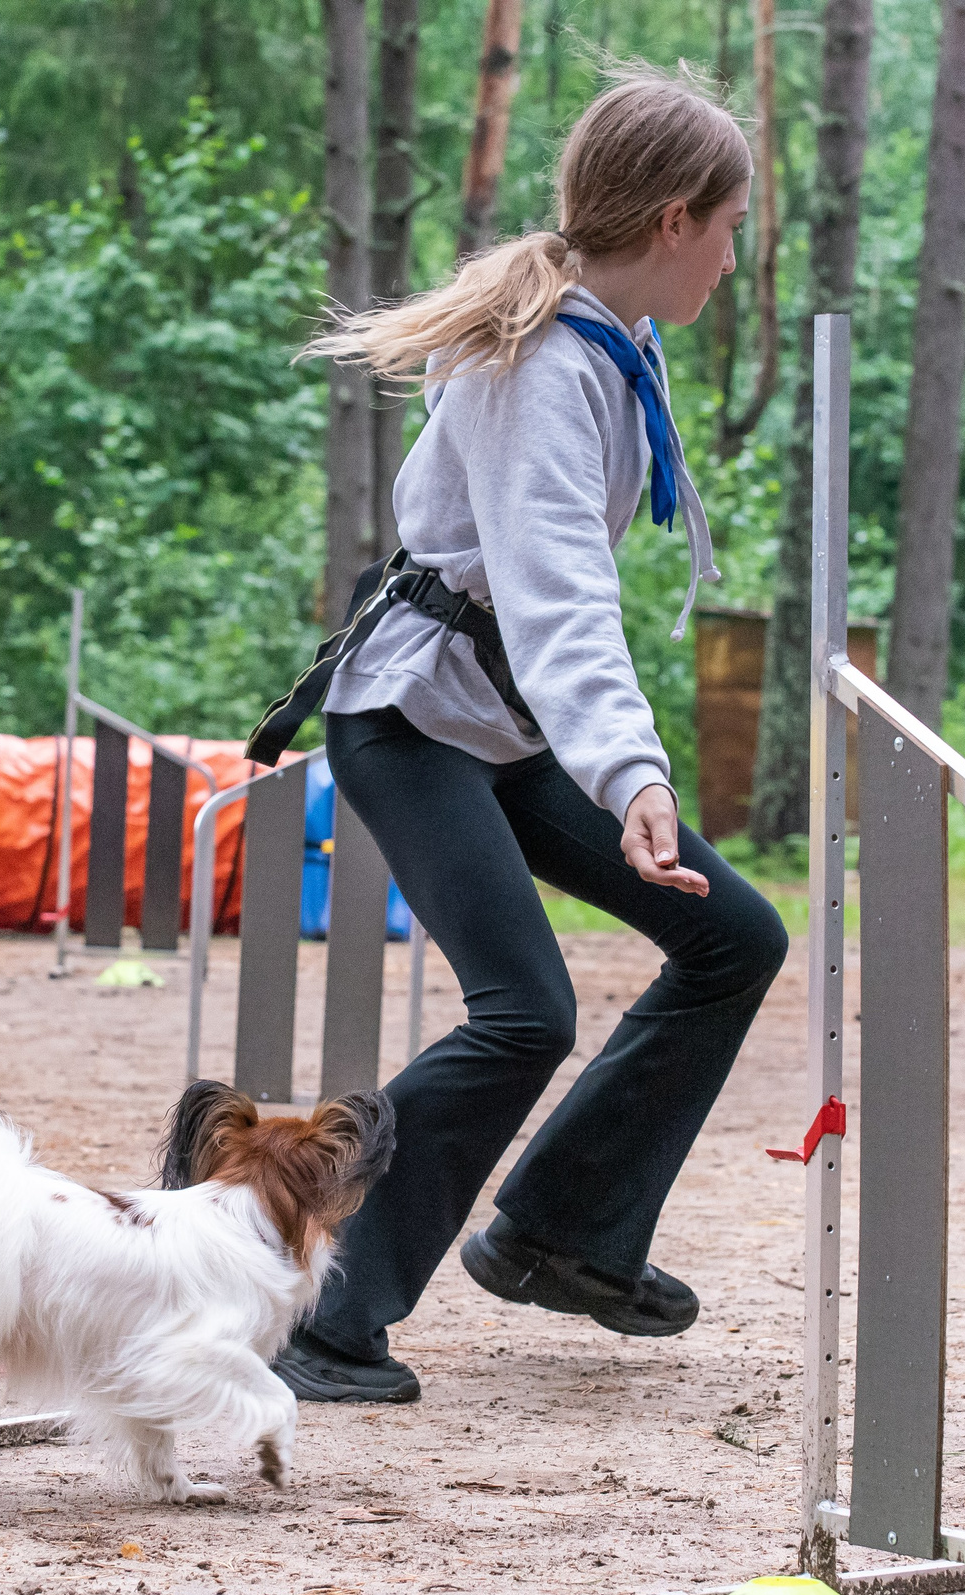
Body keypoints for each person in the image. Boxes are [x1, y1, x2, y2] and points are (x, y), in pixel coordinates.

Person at [249, 65, 791, 1404]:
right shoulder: (543, 366)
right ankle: (321, 1306)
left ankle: (563, 1233)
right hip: (415, 722)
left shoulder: (605, 337)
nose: (734, 255)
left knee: (733, 937)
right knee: (524, 1012)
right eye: (729, 226)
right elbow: (560, 602)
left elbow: (550, 620)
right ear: (673, 219)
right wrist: (635, 773)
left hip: (500, 719)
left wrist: (615, 765)